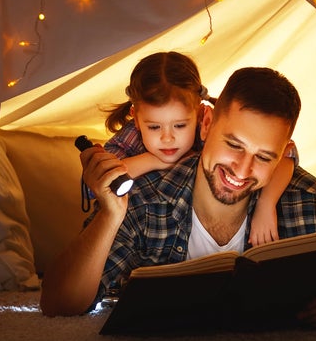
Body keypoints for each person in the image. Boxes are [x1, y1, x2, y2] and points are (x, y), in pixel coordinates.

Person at [41, 67, 316, 331]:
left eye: (264, 157)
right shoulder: (147, 198)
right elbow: (59, 304)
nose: (242, 169)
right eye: (234, 145)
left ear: (284, 154)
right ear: (207, 124)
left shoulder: (305, 199)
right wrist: (109, 215)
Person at [94, 51, 296, 246]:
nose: (167, 138)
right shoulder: (129, 141)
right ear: (136, 119)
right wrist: (155, 160)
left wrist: (266, 204)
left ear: (201, 117)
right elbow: (102, 183)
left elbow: (287, 159)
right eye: (154, 127)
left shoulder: (209, 132)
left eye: (180, 125)